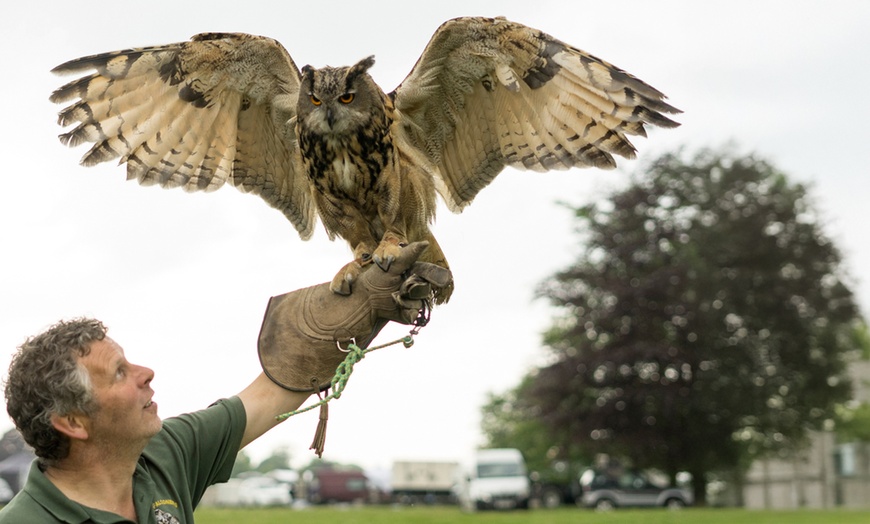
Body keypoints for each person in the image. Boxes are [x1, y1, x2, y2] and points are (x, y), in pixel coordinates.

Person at [0, 242, 449, 523]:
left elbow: (273, 391)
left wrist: (366, 306)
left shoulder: (165, 453)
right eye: (120, 372)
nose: (146, 373)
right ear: (73, 422)